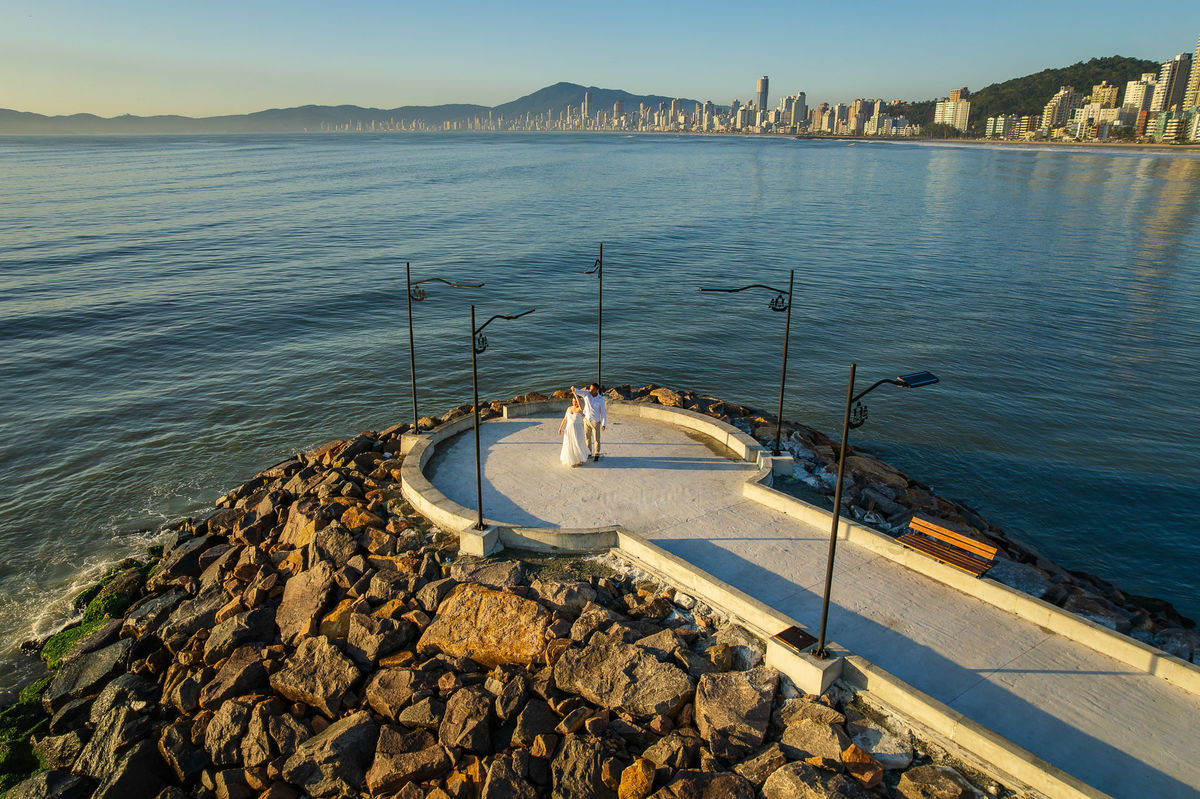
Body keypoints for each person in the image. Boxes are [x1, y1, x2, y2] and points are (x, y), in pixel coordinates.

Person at [570, 383, 607, 461]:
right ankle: (589, 453)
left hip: (596, 422)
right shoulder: (586, 394)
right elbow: (578, 391)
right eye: (590, 388)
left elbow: (603, 412)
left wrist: (603, 424)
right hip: (587, 420)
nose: (590, 390)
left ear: (596, 390)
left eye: (592, 389)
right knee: (587, 438)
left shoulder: (601, 399)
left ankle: (596, 454)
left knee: (596, 439)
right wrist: (574, 389)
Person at [557, 394, 588, 467]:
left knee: (577, 444)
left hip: (577, 429)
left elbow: (580, 404)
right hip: (569, 429)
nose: (575, 403)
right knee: (569, 444)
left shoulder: (580, 409)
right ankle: (572, 460)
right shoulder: (569, 408)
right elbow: (565, 419)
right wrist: (560, 428)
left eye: (576, 401)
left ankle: (579, 459)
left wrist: (575, 393)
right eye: (574, 401)